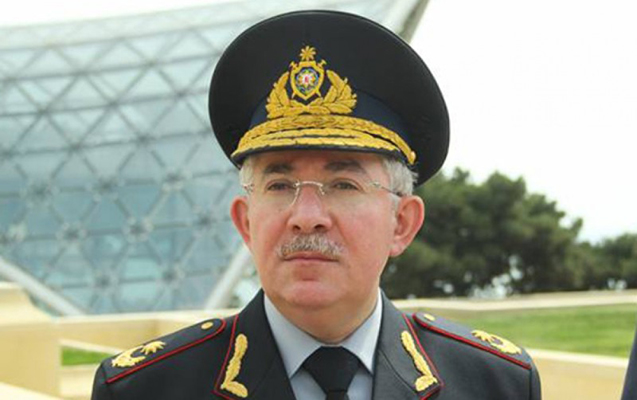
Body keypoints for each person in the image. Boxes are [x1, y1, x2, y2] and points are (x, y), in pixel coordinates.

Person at [91, 10, 541, 400]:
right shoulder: (145, 388)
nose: (306, 218)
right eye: (279, 185)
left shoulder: (495, 383)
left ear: (402, 223)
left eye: (343, 184)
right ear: (246, 223)